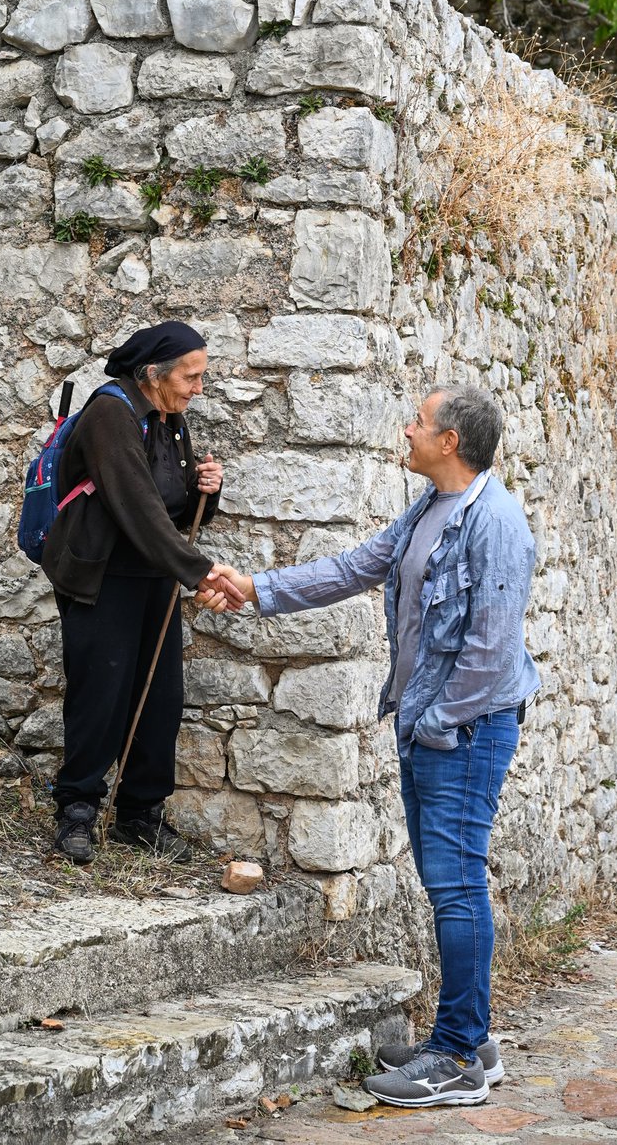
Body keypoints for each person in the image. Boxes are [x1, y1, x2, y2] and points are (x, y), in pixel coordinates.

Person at [200, 385, 540, 1108]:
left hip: (463, 732)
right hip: (433, 727)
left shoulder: (497, 520)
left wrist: (435, 723)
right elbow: (354, 567)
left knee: (455, 886)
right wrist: (257, 587)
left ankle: (456, 1058)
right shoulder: (431, 510)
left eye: (420, 419)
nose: (407, 428)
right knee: (450, 883)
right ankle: (469, 1039)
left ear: (450, 441)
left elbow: (492, 648)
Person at [42, 321, 242, 865]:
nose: (198, 388)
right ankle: (77, 809)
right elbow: (135, 507)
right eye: (191, 376)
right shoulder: (110, 414)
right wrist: (199, 571)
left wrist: (210, 492)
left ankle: (139, 815)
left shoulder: (171, 422)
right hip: (101, 577)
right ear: (154, 373)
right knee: (100, 694)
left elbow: (172, 509)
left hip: (151, 577)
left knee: (160, 700)